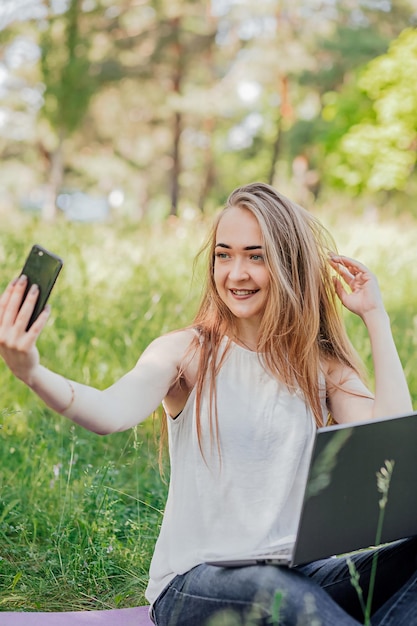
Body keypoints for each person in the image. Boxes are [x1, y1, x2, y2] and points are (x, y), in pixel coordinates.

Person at [0, 182, 416, 626]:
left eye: (256, 256)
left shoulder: (322, 368)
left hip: (300, 577)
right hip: (194, 585)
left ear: (289, 265)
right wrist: (31, 372)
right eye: (224, 254)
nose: (236, 273)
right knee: (270, 590)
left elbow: (390, 454)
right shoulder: (187, 353)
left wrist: (376, 317)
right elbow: (108, 412)